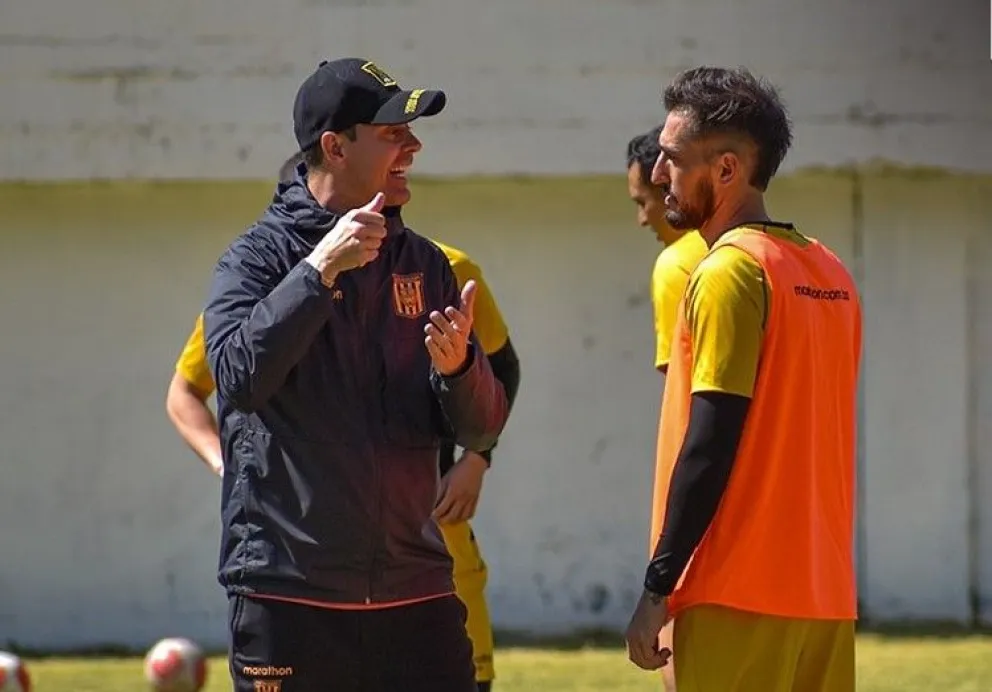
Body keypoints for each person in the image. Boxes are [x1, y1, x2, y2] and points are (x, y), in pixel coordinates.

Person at [201, 57, 509, 692]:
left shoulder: (426, 264)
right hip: (289, 596)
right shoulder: (255, 259)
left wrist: (460, 373)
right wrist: (319, 272)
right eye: (393, 132)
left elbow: (481, 425)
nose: (414, 146)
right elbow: (237, 377)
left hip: (415, 590)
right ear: (335, 147)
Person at [624, 66, 862, 692]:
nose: (656, 174)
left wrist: (658, 586)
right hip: (823, 595)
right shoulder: (830, 271)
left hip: (732, 592)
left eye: (672, 159)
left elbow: (710, 442)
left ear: (726, 169)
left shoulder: (729, 271)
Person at [625, 130, 708, 692]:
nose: (643, 218)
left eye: (643, 201)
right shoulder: (760, 251)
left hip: (699, 500)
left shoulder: (677, 264)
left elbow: (686, 401)